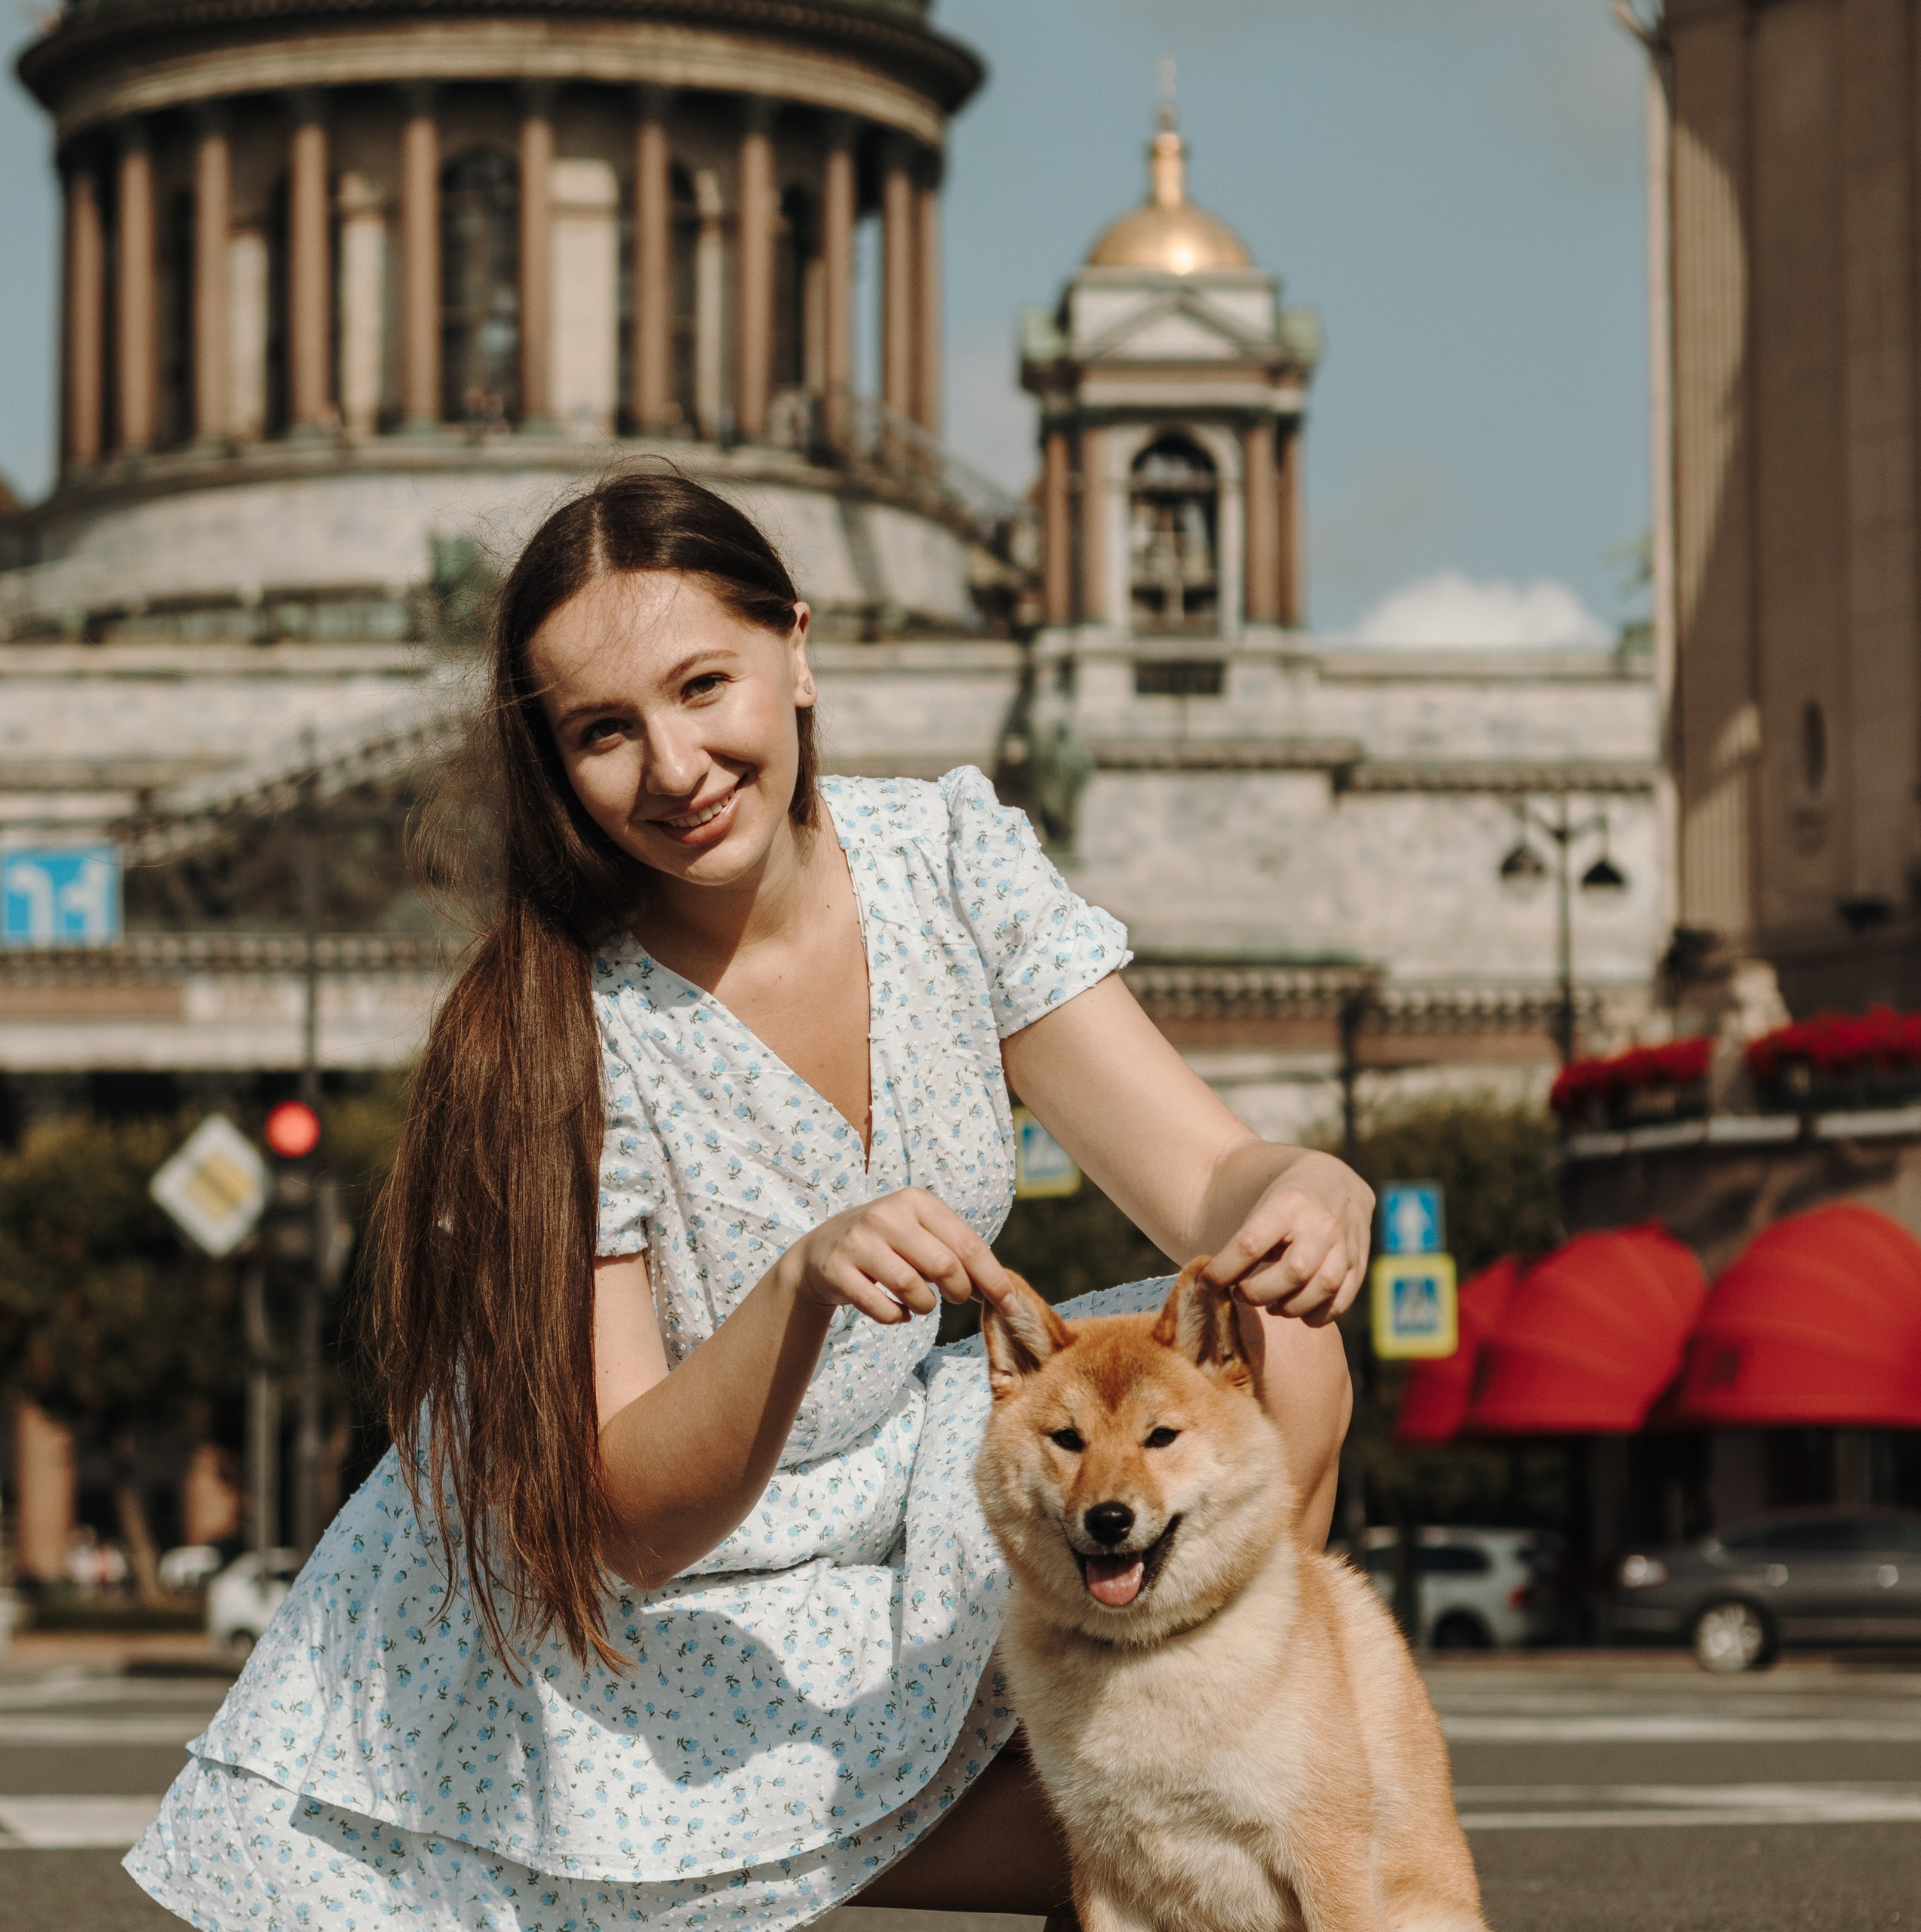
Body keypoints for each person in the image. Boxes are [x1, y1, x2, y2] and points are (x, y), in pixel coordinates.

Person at [128, 472, 1372, 1931]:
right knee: (1207, 1849)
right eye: (604, 731)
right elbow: (627, 1517)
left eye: (703, 684)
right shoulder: (552, 1027)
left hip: (889, 1499)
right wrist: (797, 1287)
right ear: (554, 765)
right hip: (632, 1604)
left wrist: (1308, 1182)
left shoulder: (949, 863)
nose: (675, 766)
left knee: (1282, 1354)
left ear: (798, 650)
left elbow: (1203, 1177)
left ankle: (1161, 1787)